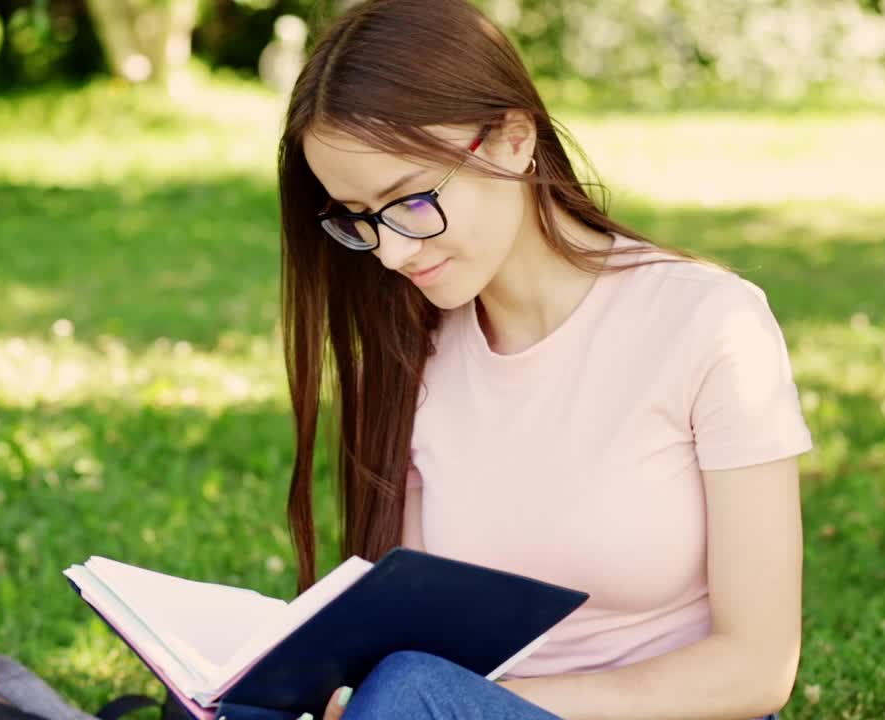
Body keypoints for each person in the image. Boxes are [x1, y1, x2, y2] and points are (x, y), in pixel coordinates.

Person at [275, 1, 813, 719]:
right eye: (357, 218)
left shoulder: (707, 324)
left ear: (511, 139)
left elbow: (755, 671)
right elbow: (415, 638)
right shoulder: (413, 356)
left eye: (408, 201)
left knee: (408, 693)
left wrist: (474, 702)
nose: (392, 252)